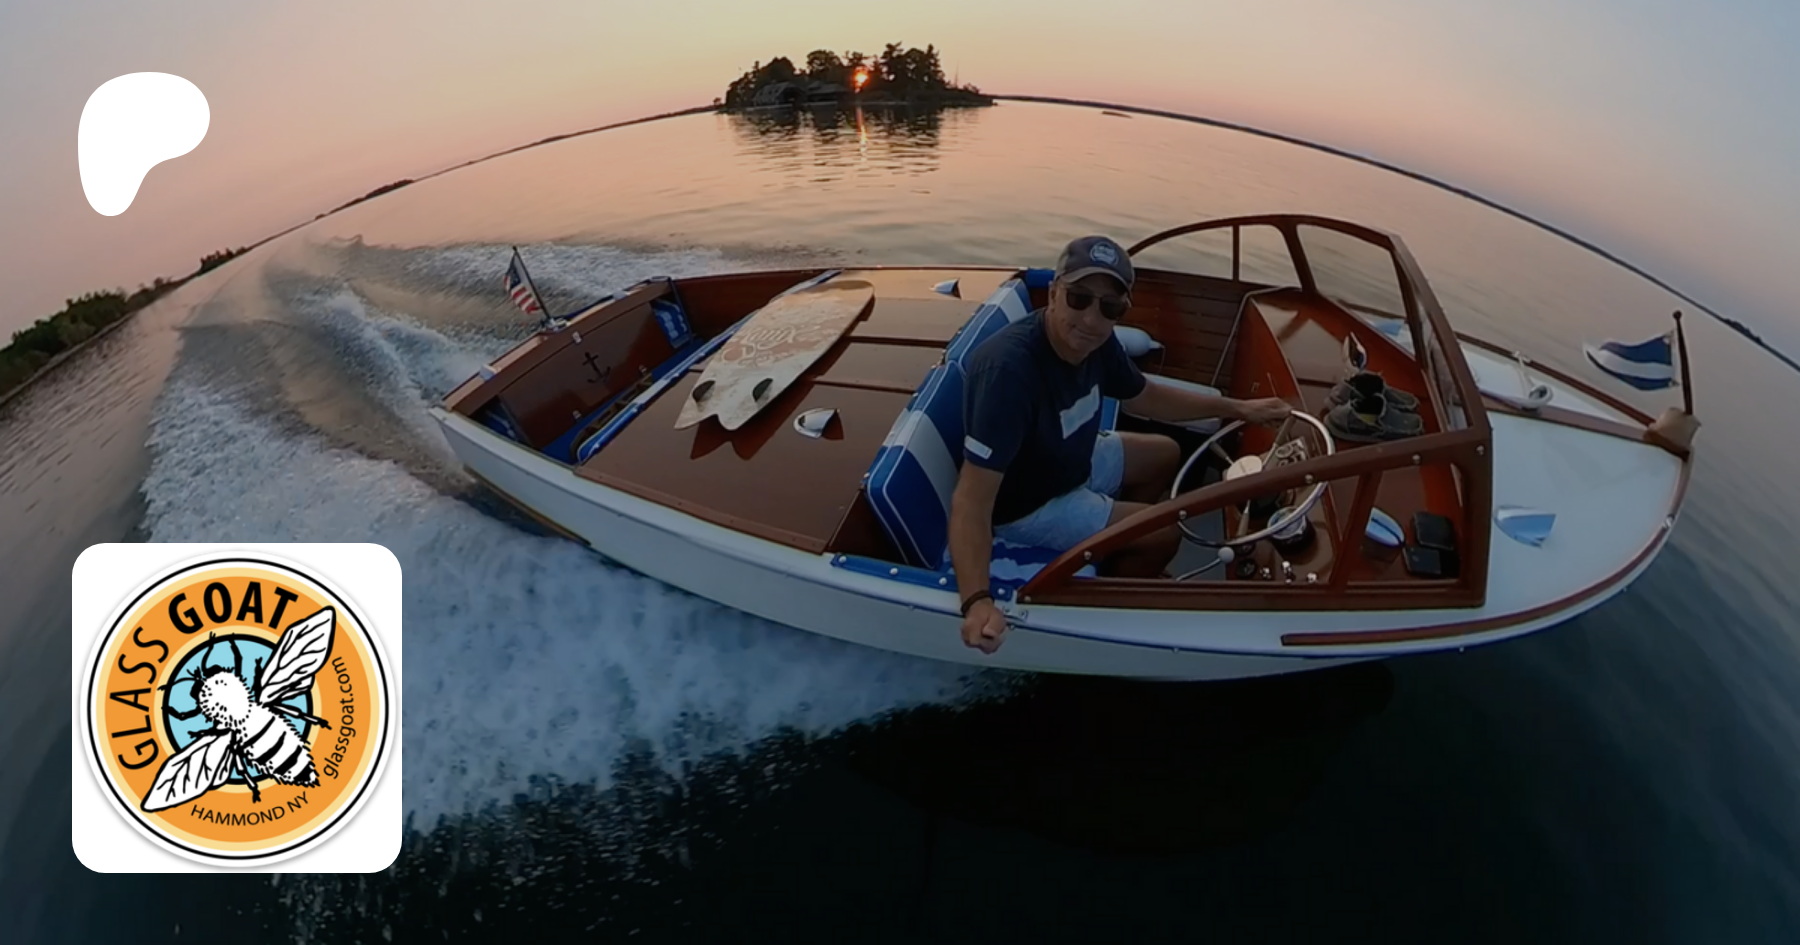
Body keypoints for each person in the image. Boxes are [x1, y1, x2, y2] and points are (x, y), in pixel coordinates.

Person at [949, 235, 1291, 654]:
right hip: (1029, 504)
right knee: (1165, 532)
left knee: (1165, 452)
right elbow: (972, 500)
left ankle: (1118, 553)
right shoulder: (1008, 373)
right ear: (1054, 292)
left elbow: (1145, 396)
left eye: (1109, 308)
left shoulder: (1097, 343)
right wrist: (976, 600)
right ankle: (1113, 592)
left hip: (1067, 457)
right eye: (1079, 298)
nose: (1091, 319)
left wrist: (1239, 408)